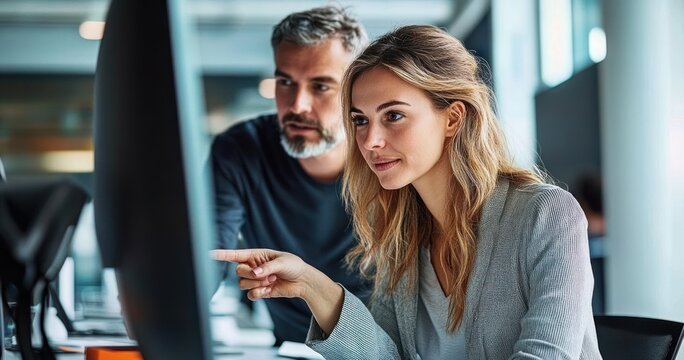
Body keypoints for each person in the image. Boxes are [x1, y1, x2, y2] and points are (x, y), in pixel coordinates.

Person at [213, 25, 601, 359]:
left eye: (393, 116)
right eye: (360, 121)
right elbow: (386, 355)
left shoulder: (546, 215)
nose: (370, 141)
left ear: (452, 118)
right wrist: (311, 285)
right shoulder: (403, 236)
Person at [210, 6, 369, 344]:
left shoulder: (386, 158)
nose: (297, 105)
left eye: (321, 86)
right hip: (289, 350)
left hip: (379, 349)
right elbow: (209, 250)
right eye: (285, 82)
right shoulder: (241, 151)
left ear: (357, 90)